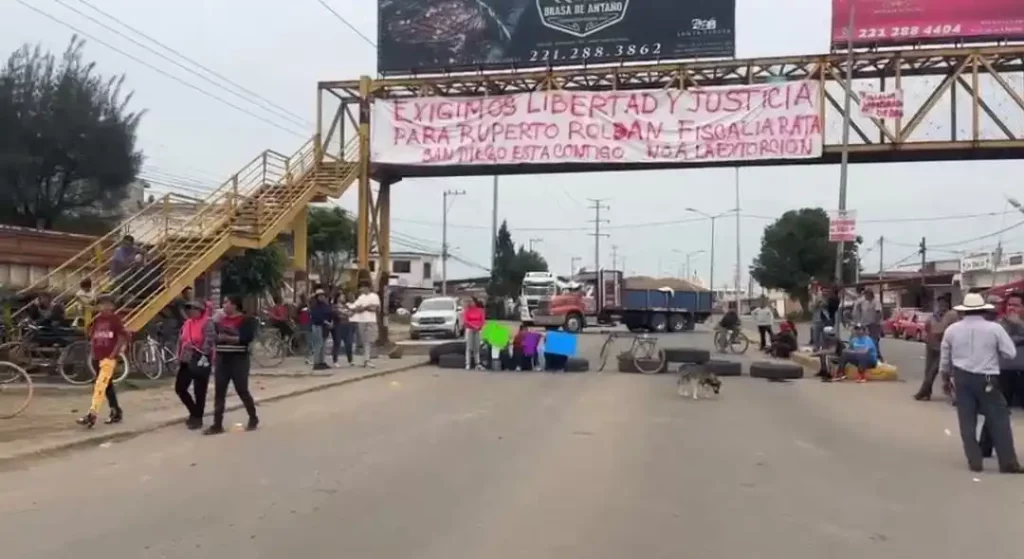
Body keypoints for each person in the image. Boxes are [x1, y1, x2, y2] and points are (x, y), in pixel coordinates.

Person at [938, 292, 1023, 473]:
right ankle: (1007, 462)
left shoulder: (952, 330)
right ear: (983, 310)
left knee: (966, 421)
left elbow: (944, 360)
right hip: (986, 378)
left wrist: (945, 380)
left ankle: (974, 461)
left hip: (961, 378)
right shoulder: (994, 329)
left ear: (964, 312)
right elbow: (1010, 353)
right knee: (999, 419)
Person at [206, 294, 259, 435]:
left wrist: (227, 338)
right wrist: (214, 325)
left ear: (235, 305)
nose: (224, 305)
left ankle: (253, 417)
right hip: (222, 358)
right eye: (223, 303)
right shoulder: (220, 320)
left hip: (239, 358)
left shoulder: (247, 320)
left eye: (226, 302)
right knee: (220, 392)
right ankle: (217, 424)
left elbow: (246, 338)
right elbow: (213, 337)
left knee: (242, 389)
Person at [76, 294, 126, 427]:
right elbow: (92, 337)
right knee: (106, 386)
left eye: (106, 304)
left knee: (100, 385)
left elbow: (121, 337)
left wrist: (113, 354)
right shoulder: (97, 319)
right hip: (97, 357)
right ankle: (116, 411)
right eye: (100, 304)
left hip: (108, 358)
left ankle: (92, 414)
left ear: (112, 306)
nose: (103, 307)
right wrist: (92, 353)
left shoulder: (115, 320)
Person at [176, 300, 215, 430]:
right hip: (187, 359)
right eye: (188, 309)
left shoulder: (207, 323)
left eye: (193, 309)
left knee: (200, 390)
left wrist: (198, 348)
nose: (190, 311)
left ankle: (198, 418)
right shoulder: (187, 323)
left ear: (200, 311)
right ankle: (194, 411)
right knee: (180, 388)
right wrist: (179, 354)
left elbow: (209, 341)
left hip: (201, 359)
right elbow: (181, 340)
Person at [914, 294, 958, 401]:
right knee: (928, 370)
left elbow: (949, 330)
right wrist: (926, 336)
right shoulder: (934, 315)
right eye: (940, 303)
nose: (942, 305)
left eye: (944, 303)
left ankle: (923, 391)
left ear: (948, 304)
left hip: (944, 347)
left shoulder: (952, 315)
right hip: (931, 345)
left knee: (935, 371)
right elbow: (927, 327)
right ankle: (927, 392)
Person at [349, 281, 381, 368]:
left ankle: (367, 359)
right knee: (363, 341)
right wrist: (363, 308)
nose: (361, 289)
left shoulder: (374, 296)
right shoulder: (361, 298)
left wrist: (364, 308)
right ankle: (366, 359)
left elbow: (374, 308)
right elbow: (354, 307)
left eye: (363, 287)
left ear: (367, 288)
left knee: (369, 340)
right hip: (361, 321)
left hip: (371, 320)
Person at [852, 288, 884, 363]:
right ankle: (869, 356)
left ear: (869, 294)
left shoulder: (876, 302)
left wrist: (876, 322)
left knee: (874, 341)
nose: (865, 297)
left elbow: (878, 312)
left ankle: (877, 357)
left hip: (873, 325)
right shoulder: (864, 302)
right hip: (865, 324)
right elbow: (859, 308)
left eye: (866, 295)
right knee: (865, 341)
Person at [309, 289, 332, 371]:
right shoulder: (315, 306)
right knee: (318, 344)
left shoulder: (325, 305)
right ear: (317, 297)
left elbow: (330, 313)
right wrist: (325, 321)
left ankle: (322, 362)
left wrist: (330, 322)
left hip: (325, 327)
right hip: (318, 326)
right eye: (320, 296)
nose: (321, 297)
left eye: (323, 295)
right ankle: (316, 363)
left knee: (323, 345)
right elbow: (316, 316)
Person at [462, 297, 485, 370]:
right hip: (470, 329)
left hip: (478, 329)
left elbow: (483, 320)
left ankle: (477, 363)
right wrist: (473, 326)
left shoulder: (480, 310)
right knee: (469, 347)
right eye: (469, 302)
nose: (470, 303)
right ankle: (467, 363)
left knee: (477, 347)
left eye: (472, 301)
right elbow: (465, 321)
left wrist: (479, 326)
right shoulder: (467, 311)